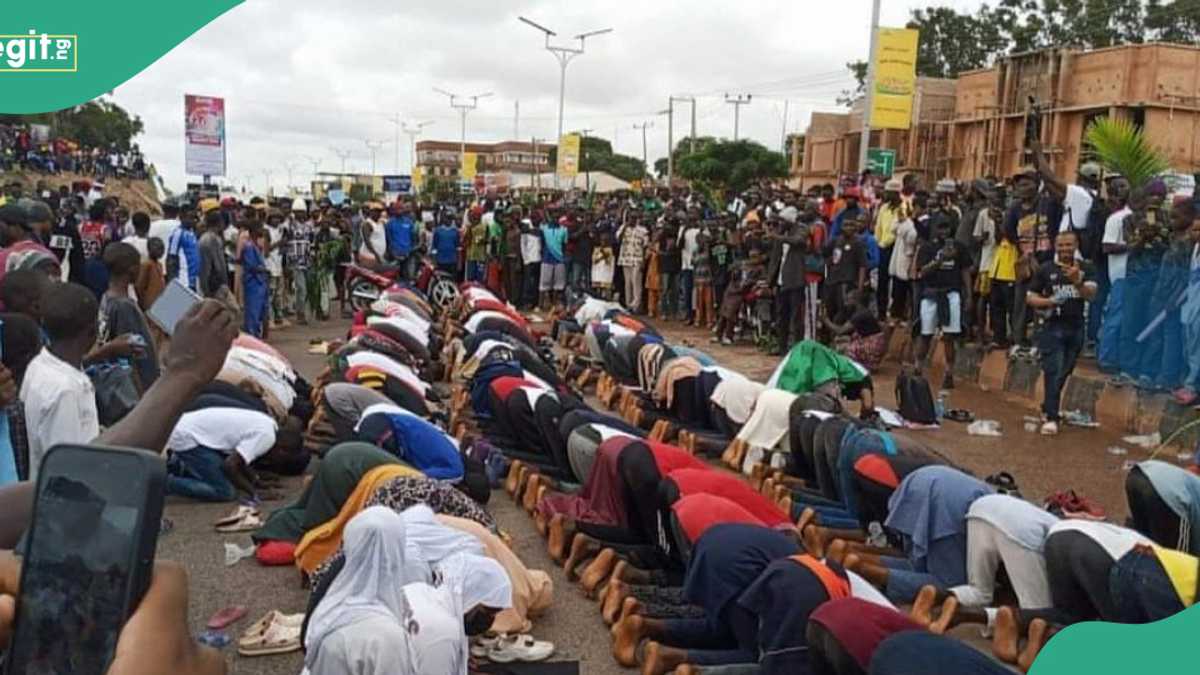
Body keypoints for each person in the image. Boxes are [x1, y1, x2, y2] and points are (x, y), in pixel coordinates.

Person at [20, 283, 103, 481]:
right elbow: (68, 471)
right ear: (92, 331)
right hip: (68, 504)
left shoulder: (38, 364)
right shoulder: (66, 391)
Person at [1025, 230, 1097, 434]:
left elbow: (1091, 295)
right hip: (1052, 327)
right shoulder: (1046, 269)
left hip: (1076, 327)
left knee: (1065, 371)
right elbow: (1030, 297)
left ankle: (1047, 407)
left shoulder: (1086, 268)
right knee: (1053, 370)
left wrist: (1078, 282)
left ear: (1076, 246)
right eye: (1061, 245)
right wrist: (1049, 302)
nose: (1065, 249)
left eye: (1069, 245)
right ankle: (1051, 416)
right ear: (1055, 247)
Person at [164, 406, 298, 502]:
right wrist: (254, 493)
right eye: (282, 459)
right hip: (187, 437)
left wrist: (256, 480)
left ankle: (176, 467)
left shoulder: (270, 425)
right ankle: (163, 483)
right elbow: (230, 466)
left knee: (225, 478)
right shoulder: (266, 438)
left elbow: (241, 458)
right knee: (224, 491)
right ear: (282, 450)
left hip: (189, 427)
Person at [914, 215, 973, 389]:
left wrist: (968, 295)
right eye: (940, 227)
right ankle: (918, 367)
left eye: (947, 227)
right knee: (925, 334)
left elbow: (965, 271)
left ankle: (949, 372)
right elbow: (921, 272)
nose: (944, 231)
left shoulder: (959, 248)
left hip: (951, 294)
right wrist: (940, 260)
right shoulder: (927, 248)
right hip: (931, 294)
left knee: (949, 336)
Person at [99, 242, 161, 388]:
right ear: (132, 270)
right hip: (139, 386)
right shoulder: (124, 307)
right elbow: (130, 354)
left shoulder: (106, 297)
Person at [766, 217, 810, 355]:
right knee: (781, 315)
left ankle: (797, 347)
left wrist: (779, 237)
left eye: (783, 220)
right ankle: (782, 347)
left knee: (796, 316)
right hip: (780, 281)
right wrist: (770, 281)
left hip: (795, 280)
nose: (781, 223)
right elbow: (775, 259)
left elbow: (799, 241)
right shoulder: (781, 232)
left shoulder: (801, 228)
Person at [823, 217, 868, 323]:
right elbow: (825, 254)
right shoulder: (835, 240)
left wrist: (860, 287)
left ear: (855, 228)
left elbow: (862, 265)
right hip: (831, 280)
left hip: (847, 281)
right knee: (829, 308)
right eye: (845, 225)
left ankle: (840, 334)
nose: (848, 228)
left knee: (843, 310)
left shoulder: (858, 243)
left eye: (851, 225)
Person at [874, 179, 904, 318]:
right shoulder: (883, 208)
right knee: (882, 280)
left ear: (895, 193)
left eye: (888, 192)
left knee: (897, 280)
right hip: (883, 247)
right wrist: (879, 242)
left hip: (897, 246)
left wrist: (887, 242)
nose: (885, 195)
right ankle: (881, 311)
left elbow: (899, 228)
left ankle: (895, 312)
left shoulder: (904, 208)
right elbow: (878, 227)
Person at [240, 221, 270, 337]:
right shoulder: (248, 247)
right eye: (259, 229)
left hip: (260, 282)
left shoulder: (256, 246)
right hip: (253, 282)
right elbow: (250, 266)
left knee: (259, 311)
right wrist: (263, 270)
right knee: (253, 311)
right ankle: (252, 335)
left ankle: (256, 333)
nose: (262, 231)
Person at [197, 210, 230, 301]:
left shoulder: (206, 237)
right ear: (220, 223)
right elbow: (218, 265)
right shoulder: (212, 240)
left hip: (210, 282)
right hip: (214, 284)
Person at [618, 214, 649, 313]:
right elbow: (618, 239)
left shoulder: (643, 230)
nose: (632, 220)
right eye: (630, 218)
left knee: (636, 282)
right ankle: (628, 305)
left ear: (636, 219)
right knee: (628, 282)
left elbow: (645, 246)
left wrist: (644, 260)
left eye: (634, 218)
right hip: (625, 258)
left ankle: (636, 305)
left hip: (637, 258)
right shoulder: (623, 228)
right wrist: (625, 227)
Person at [166, 206, 200, 292]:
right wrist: (173, 283)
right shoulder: (178, 234)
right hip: (183, 279)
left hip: (193, 280)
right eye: (190, 217)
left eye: (194, 218)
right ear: (182, 217)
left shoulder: (192, 233)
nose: (193, 220)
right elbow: (171, 259)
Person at [135, 236, 166, 314]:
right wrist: (143, 303)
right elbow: (139, 286)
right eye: (158, 248)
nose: (161, 251)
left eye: (162, 248)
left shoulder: (159, 265)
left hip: (159, 303)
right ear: (149, 249)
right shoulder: (146, 264)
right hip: (149, 304)